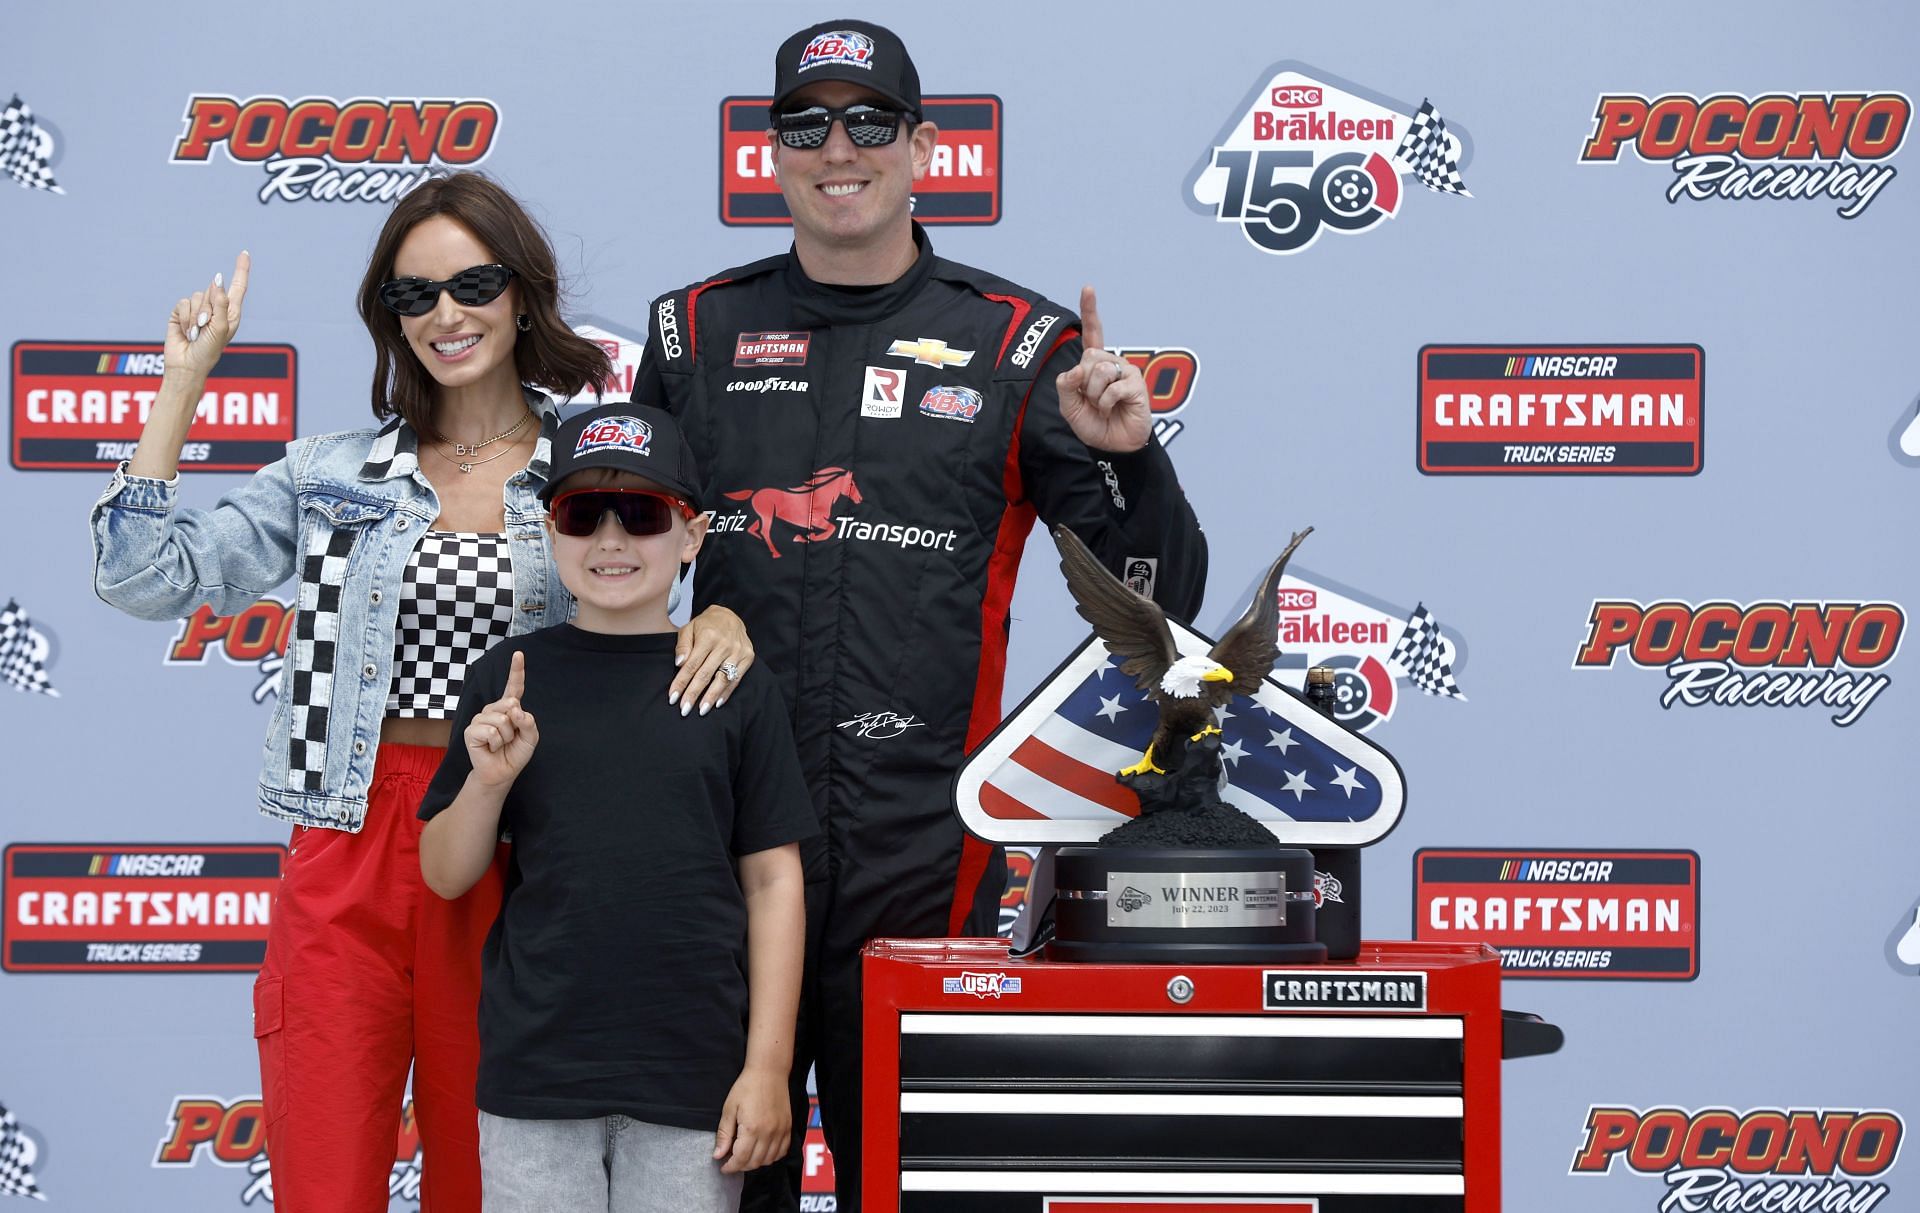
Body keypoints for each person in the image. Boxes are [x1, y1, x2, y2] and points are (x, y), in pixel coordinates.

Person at [88, 174, 750, 1212]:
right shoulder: (330, 471)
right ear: (391, 318)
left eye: (472, 284)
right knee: (324, 1181)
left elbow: (675, 586)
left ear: (521, 293)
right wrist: (181, 385)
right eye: (414, 296)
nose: (447, 315)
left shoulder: (587, 477)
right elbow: (141, 577)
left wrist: (725, 616)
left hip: (522, 858)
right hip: (349, 845)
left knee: (486, 1183)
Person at [633, 19, 1209, 1211]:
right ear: (771, 150)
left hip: (924, 854)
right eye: (806, 125)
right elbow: (612, 572)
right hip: (721, 847)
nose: (837, 148)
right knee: (718, 1188)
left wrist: (1131, 462)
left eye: (869, 121)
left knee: (917, 1188)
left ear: (923, 144)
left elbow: (1160, 607)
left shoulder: (1019, 345)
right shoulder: (692, 333)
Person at [417, 403, 813, 1213]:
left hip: (691, 1078)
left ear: (691, 535)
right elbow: (446, 873)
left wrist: (768, 1068)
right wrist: (488, 781)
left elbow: (774, 883)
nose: (609, 540)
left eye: (639, 514)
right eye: (580, 514)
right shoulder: (507, 676)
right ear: (548, 528)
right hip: (537, 1075)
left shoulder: (734, 685)